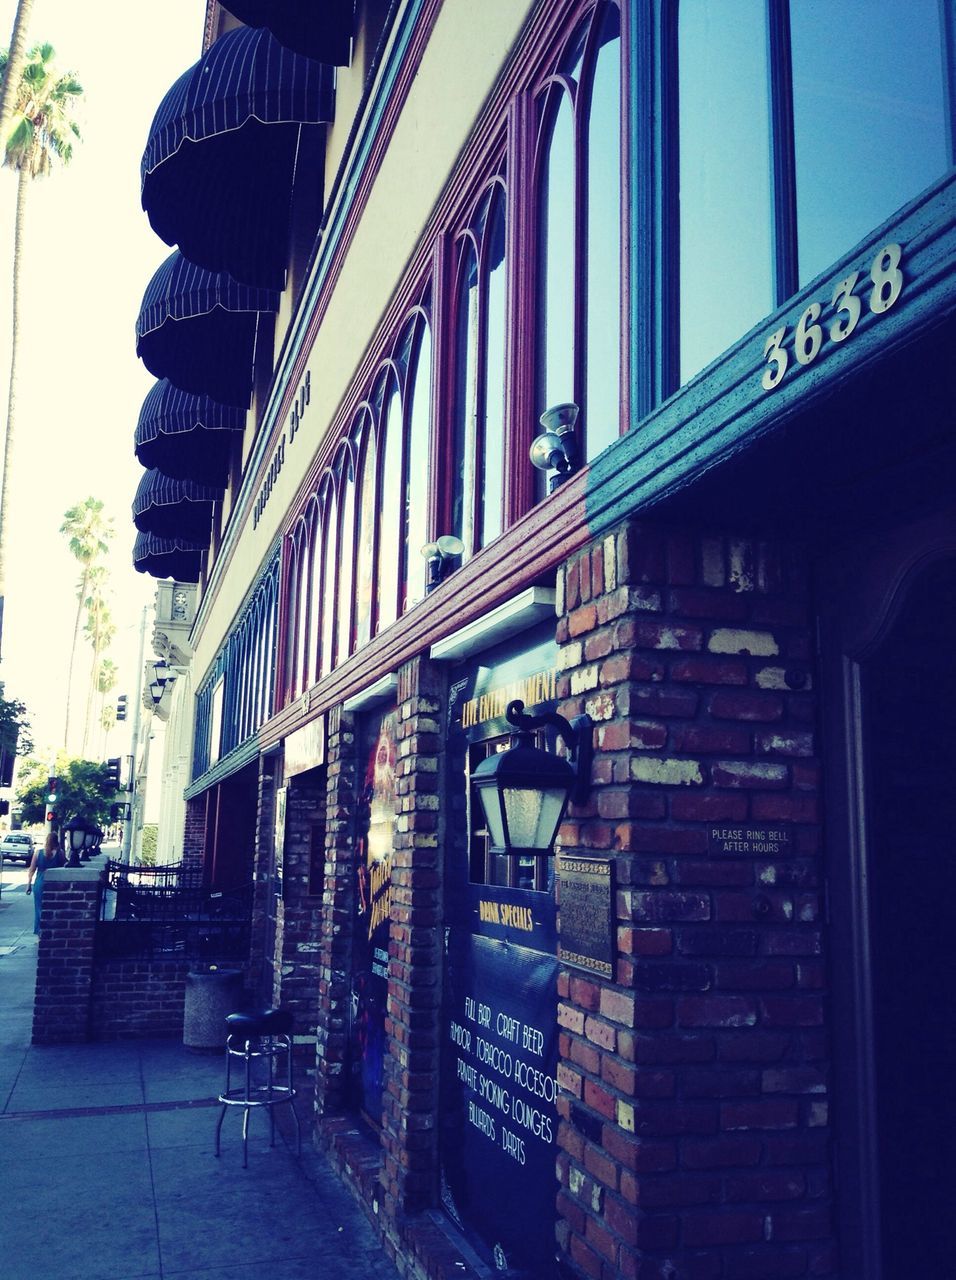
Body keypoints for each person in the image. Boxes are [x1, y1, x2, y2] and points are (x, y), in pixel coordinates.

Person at [25, 833, 64, 936]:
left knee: (39, 909)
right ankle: (51, 932)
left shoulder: (38, 853)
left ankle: (40, 933)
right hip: (55, 884)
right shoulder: (60, 853)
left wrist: (28, 885)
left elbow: (31, 870)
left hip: (40, 883)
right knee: (53, 908)